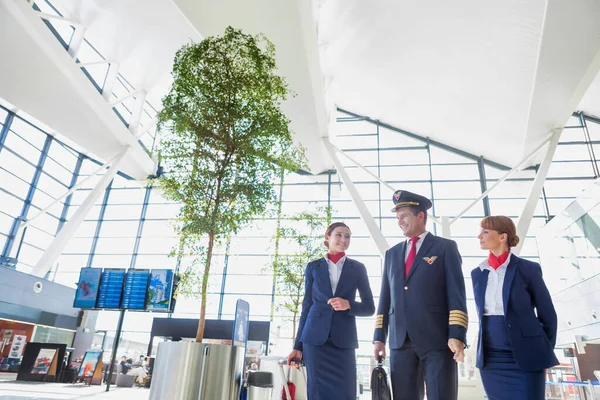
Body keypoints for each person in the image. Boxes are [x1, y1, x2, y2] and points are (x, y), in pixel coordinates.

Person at [373, 190, 468, 400]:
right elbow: (385, 298)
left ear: (421, 216)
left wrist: (457, 334)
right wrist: (379, 337)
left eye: (404, 216)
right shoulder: (392, 254)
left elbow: (457, 294)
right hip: (400, 341)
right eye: (397, 218)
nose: (400, 222)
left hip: (437, 339)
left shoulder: (445, 248)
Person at [472, 216, 558, 399]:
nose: (479, 236)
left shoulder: (528, 269)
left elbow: (548, 315)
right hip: (491, 360)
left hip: (526, 358)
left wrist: (542, 352)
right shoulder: (478, 273)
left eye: (485, 232)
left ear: (503, 237)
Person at [287, 222, 375, 400]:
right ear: (327, 237)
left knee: (346, 393)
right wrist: (298, 346)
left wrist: (348, 304)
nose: (343, 239)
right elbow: (307, 307)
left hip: (344, 341)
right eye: (339, 235)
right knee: (317, 392)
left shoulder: (358, 268)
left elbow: (369, 307)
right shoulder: (313, 267)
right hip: (314, 341)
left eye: (348, 236)